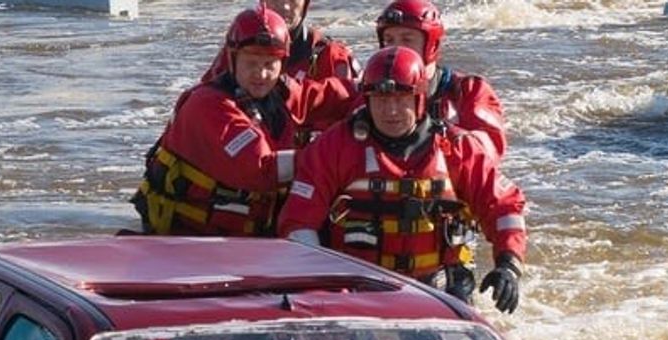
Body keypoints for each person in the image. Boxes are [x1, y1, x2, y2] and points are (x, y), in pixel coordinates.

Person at [276, 47, 526, 313]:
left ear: (419, 99)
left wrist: (508, 264)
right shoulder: (334, 147)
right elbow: (298, 221)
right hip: (358, 287)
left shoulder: (457, 148)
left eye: (400, 99)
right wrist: (323, 284)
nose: (390, 111)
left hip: (440, 289)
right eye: (380, 99)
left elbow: (504, 206)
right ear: (366, 99)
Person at [131, 6, 355, 237]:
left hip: (247, 237)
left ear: (282, 64)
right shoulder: (208, 106)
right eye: (251, 63)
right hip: (190, 239)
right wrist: (336, 157)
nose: (261, 74)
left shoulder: (278, 91)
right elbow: (262, 169)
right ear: (232, 59)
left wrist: (373, 92)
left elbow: (327, 96)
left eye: (270, 65)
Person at [199, 0, 359, 145]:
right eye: (252, 62)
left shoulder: (333, 58)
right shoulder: (236, 52)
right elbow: (206, 108)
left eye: (292, 0)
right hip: (248, 156)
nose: (284, 7)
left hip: (316, 164)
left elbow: (357, 120)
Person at [375, 0, 506, 162]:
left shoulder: (470, 91)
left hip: (447, 181)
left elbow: (489, 151)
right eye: (389, 40)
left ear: (432, 45)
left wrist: (439, 137)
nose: (396, 48)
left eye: (407, 40)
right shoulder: (371, 91)